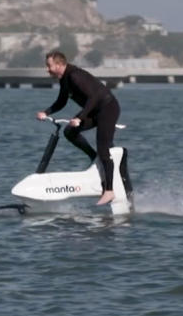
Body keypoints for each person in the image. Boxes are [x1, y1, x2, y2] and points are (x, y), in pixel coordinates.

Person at [35, 50, 121, 206]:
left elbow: (94, 97)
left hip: (107, 108)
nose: (47, 69)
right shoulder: (65, 80)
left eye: (49, 66)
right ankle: (94, 158)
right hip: (95, 111)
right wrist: (45, 112)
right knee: (70, 131)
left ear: (59, 64)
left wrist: (80, 117)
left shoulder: (75, 76)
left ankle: (109, 190)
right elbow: (61, 101)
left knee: (104, 149)